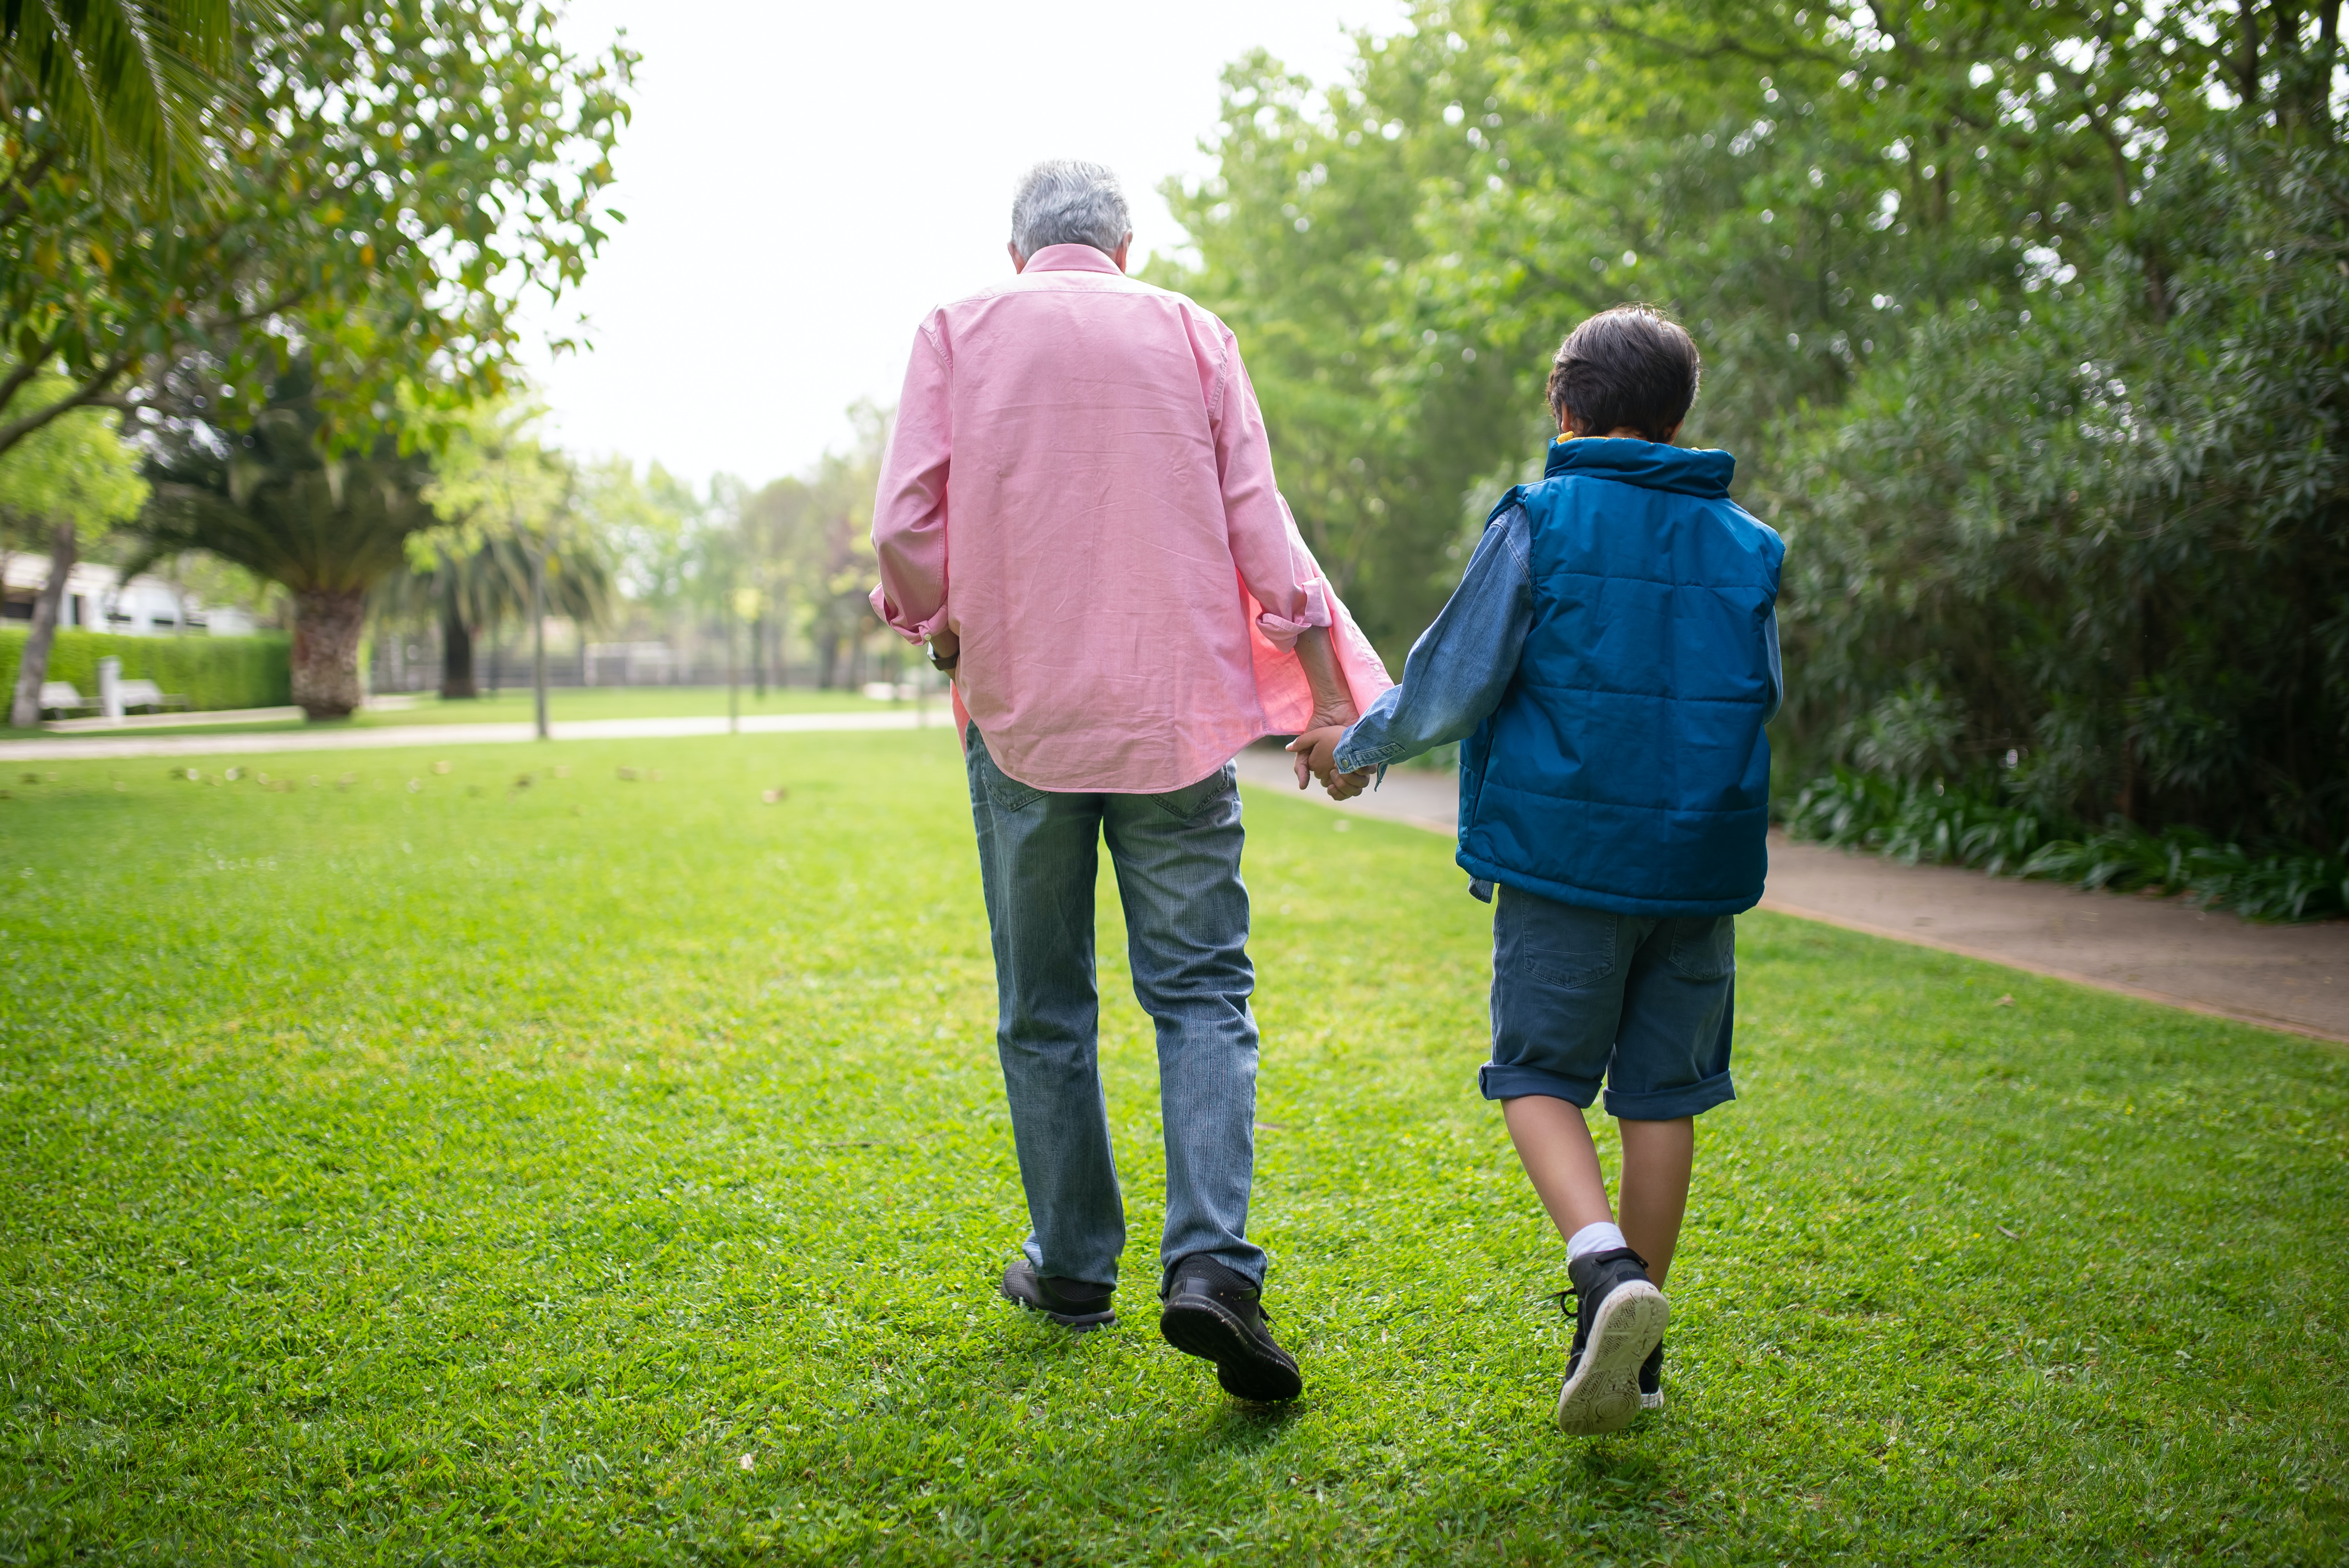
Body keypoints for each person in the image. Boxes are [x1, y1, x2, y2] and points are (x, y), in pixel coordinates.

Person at [869, 159, 1389, 1403]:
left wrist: (933, 619)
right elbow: (1262, 529)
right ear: (1126, 243)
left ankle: (1073, 1268)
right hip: (1171, 721)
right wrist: (1326, 690)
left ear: (1017, 253)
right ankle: (1210, 1265)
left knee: (1045, 1003)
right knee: (1203, 993)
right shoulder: (1193, 334)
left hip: (1022, 720)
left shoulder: (956, 330)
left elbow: (903, 524)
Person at [1291, 305, 1784, 1434]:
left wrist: (1353, 745)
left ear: (1567, 408)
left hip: (1568, 863)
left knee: (1538, 1079)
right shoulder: (1751, 546)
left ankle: (1606, 1274)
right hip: (1699, 872)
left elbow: (1457, 680)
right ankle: (1633, 1352)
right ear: (1676, 416)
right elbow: (1759, 699)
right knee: (1663, 1098)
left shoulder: (1542, 519)